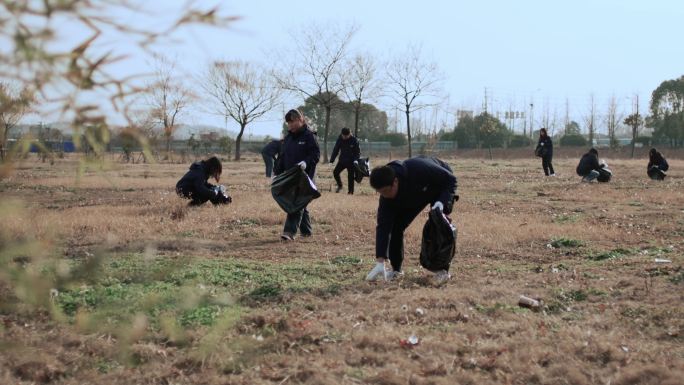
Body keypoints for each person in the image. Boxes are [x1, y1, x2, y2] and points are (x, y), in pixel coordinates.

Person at [366, 156, 458, 284]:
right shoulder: (386, 199)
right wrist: (380, 261)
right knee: (395, 226)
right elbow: (383, 227)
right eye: (380, 192)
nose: (384, 196)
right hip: (413, 195)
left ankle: (443, 270)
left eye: (386, 191)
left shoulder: (419, 168)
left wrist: (442, 202)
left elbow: (450, 180)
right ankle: (396, 269)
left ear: (395, 182)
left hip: (437, 186)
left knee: (439, 225)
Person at [273, 109, 320, 241]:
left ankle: (289, 232)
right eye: (288, 123)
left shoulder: (310, 136)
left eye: (293, 122)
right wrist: (276, 172)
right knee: (301, 204)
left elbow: (315, 155)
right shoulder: (288, 139)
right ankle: (306, 231)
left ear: (301, 120)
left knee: (296, 203)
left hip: (305, 177)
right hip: (290, 176)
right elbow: (282, 157)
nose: (290, 125)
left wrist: (306, 162)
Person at [329, 127, 361, 194]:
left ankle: (350, 192)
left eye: (346, 136)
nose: (345, 137)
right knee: (335, 172)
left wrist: (355, 160)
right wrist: (331, 161)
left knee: (350, 177)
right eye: (344, 136)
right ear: (341, 134)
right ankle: (340, 185)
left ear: (350, 134)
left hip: (351, 162)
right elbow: (336, 150)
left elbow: (357, 152)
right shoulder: (340, 139)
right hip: (342, 161)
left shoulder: (354, 140)